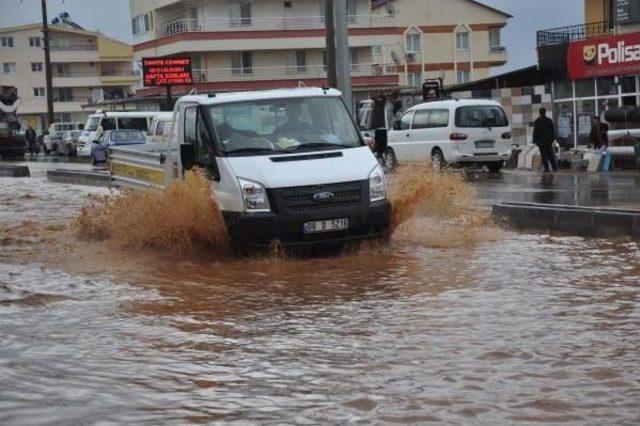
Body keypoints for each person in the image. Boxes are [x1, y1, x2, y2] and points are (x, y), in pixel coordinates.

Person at [532, 108, 559, 173]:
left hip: (541, 142)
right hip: (548, 141)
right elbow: (552, 131)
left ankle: (547, 169)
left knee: (544, 156)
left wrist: (534, 140)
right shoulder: (549, 121)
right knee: (550, 155)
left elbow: (535, 132)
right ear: (545, 112)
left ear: (539, 113)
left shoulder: (537, 121)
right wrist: (553, 139)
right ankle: (555, 168)